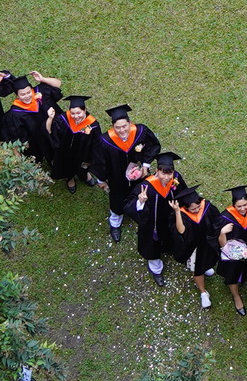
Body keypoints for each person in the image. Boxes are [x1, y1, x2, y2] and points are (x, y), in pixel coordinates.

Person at [96, 103, 160, 242]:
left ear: (130, 123)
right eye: (117, 127)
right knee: (117, 199)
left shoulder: (140, 131)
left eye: (124, 126)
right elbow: (100, 162)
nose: (122, 130)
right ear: (112, 126)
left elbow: (153, 146)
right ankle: (115, 221)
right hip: (116, 177)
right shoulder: (105, 140)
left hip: (139, 175)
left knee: (140, 192)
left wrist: (145, 165)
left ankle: (138, 211)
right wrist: (101, 180)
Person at [128, 150, 185, 285]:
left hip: (170, 217)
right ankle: (156, 267)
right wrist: (141, 202)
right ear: (157, 171)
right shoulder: (146, 186)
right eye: (163, 173)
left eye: (169, 173)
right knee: (152, 243)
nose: (166, 177)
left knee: (171, 234)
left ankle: (170, 247)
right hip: (152, 222)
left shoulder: (175, 179)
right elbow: (129, 205)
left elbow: (183, 194)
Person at [170, 186, 226, 309]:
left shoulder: (206, 206)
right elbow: (181, 231)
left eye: (198, 207)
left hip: (208, 242)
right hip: (193, 248)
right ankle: (203, 293)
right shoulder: (182, 215)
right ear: (185, 208)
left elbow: (217, 220)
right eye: (193, 209)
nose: (196, 210)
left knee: (209, 260)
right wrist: (177, 212)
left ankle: (206, 267)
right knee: (197, 269)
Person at [215, 185, 247, 315]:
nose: (242, 209)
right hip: (232, 255)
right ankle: (236, 296)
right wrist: (222, 233)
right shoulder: (225, 217)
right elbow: (222, 245)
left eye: (245, 205)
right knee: (233, 272)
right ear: (233, 205)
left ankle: (246, 272)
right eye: (239, 206)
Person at [46, 93, 100, 192]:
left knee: (83, 165)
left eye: (79, 113)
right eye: (73, 113)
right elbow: (50, 132)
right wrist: (50, 118)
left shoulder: (93, 125)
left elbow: (97, 142)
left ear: (85, 110)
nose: (75, 116)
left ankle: (84, 175)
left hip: (83, 153)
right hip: (65, 151)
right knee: (67, 165)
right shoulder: (63, 119)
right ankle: (70, 179)